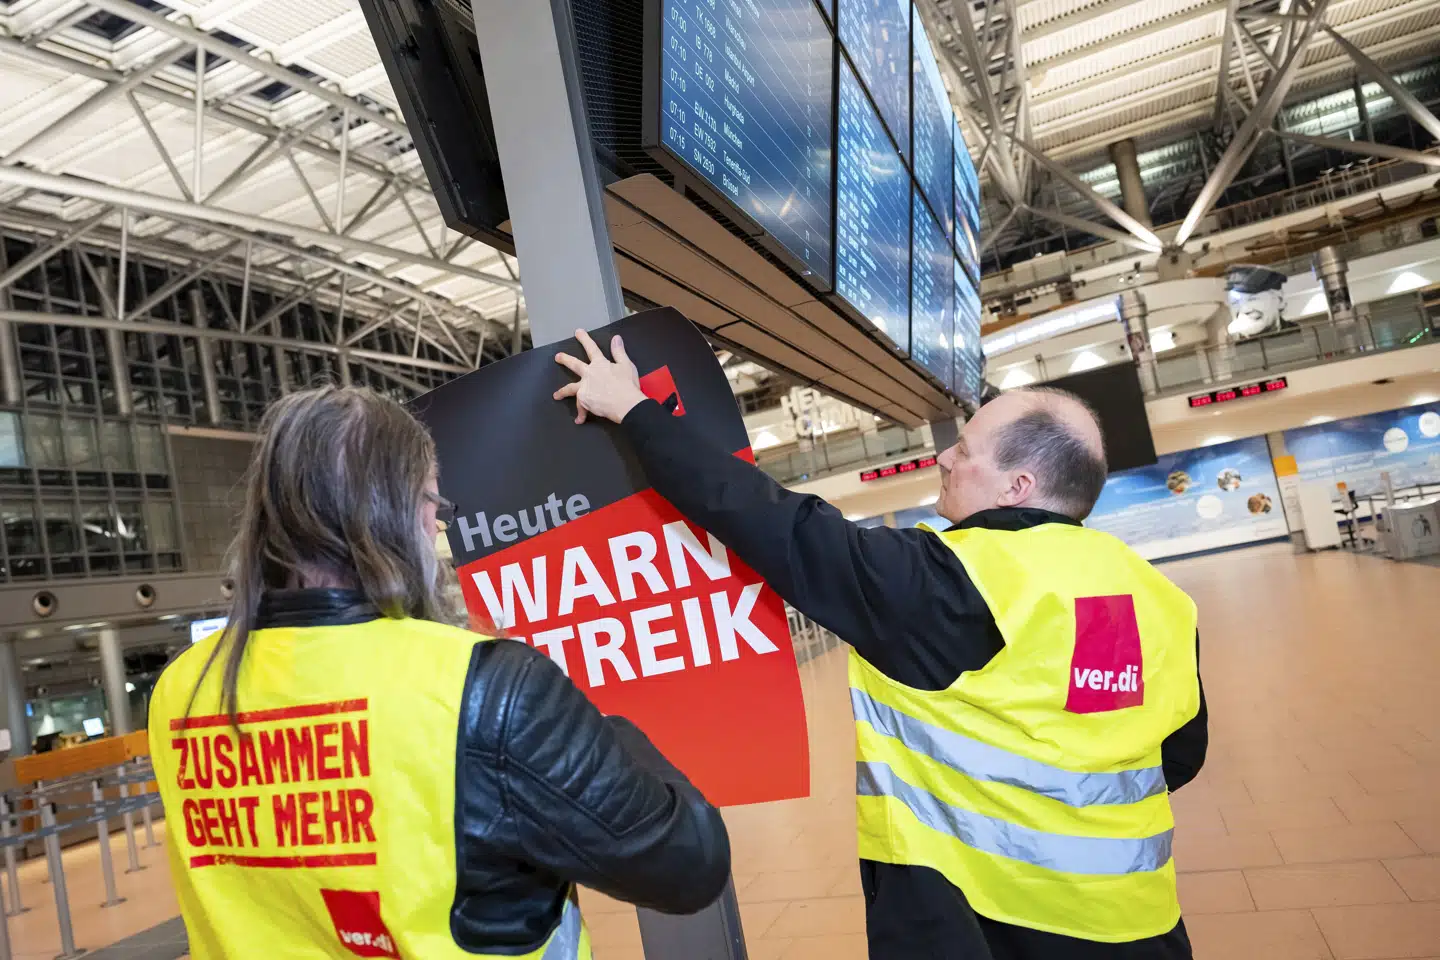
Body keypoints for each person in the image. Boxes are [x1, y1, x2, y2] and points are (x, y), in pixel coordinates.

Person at [553, 331, 1207, 960]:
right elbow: (1176, 753)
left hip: (982, 921)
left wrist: (634, 411)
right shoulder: (1152, 594)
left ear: (1018, 487)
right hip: (1138, 922)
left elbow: (765, 518)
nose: (944, 457)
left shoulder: (948, 580)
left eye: (967, 449)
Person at [148, 386, 731, 960]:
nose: (436, 526)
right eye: (432, 503)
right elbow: (687, 864)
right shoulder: (478, 683)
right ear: (394, 511)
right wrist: (602, 723)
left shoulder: (181, 687)